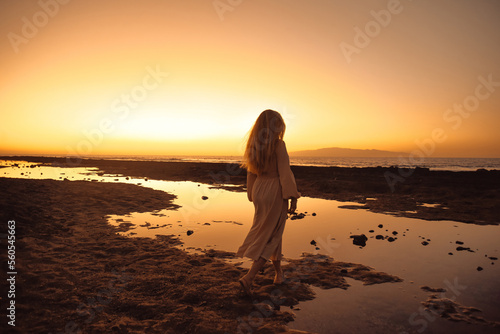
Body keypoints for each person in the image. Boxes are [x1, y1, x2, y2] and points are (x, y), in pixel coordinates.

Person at [236, 109, 300, 296]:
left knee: (271, 232)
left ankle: (279, 273)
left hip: (259, 189)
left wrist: (251, 194)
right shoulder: (278, 145)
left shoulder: (253, 146)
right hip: (274, 191)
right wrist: (293, 196)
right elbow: (284, 172)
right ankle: (249, 278)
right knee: (272, 235)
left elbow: (250, 172)